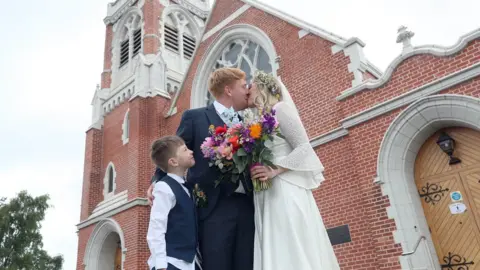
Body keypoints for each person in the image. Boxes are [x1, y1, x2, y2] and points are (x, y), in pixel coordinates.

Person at [147, 68, 254, 270]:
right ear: (229, 90)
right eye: (243, 86)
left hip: (247, 205)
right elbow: (173, 151)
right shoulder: (195, 118)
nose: (247, 90)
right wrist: (156, 182)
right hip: (213, 208)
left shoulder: (246, 124)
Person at [248, 71, 340, 270]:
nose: (248, 88)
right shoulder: (259, 120)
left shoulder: (281, 109)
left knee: (291, 239)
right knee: (276, 240)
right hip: (267, 190)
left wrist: (274, 169)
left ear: (262, 87)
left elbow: (304, 147)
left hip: (285, 187)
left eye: (251, 85)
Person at [147, 135, 197, 270]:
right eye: (185, 150)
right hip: (171, 263)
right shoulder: (164, 187)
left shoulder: (187, 187)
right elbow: (157, 226)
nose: (191, 151)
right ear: (173, 162)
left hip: (189, 263)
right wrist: (161, 264)